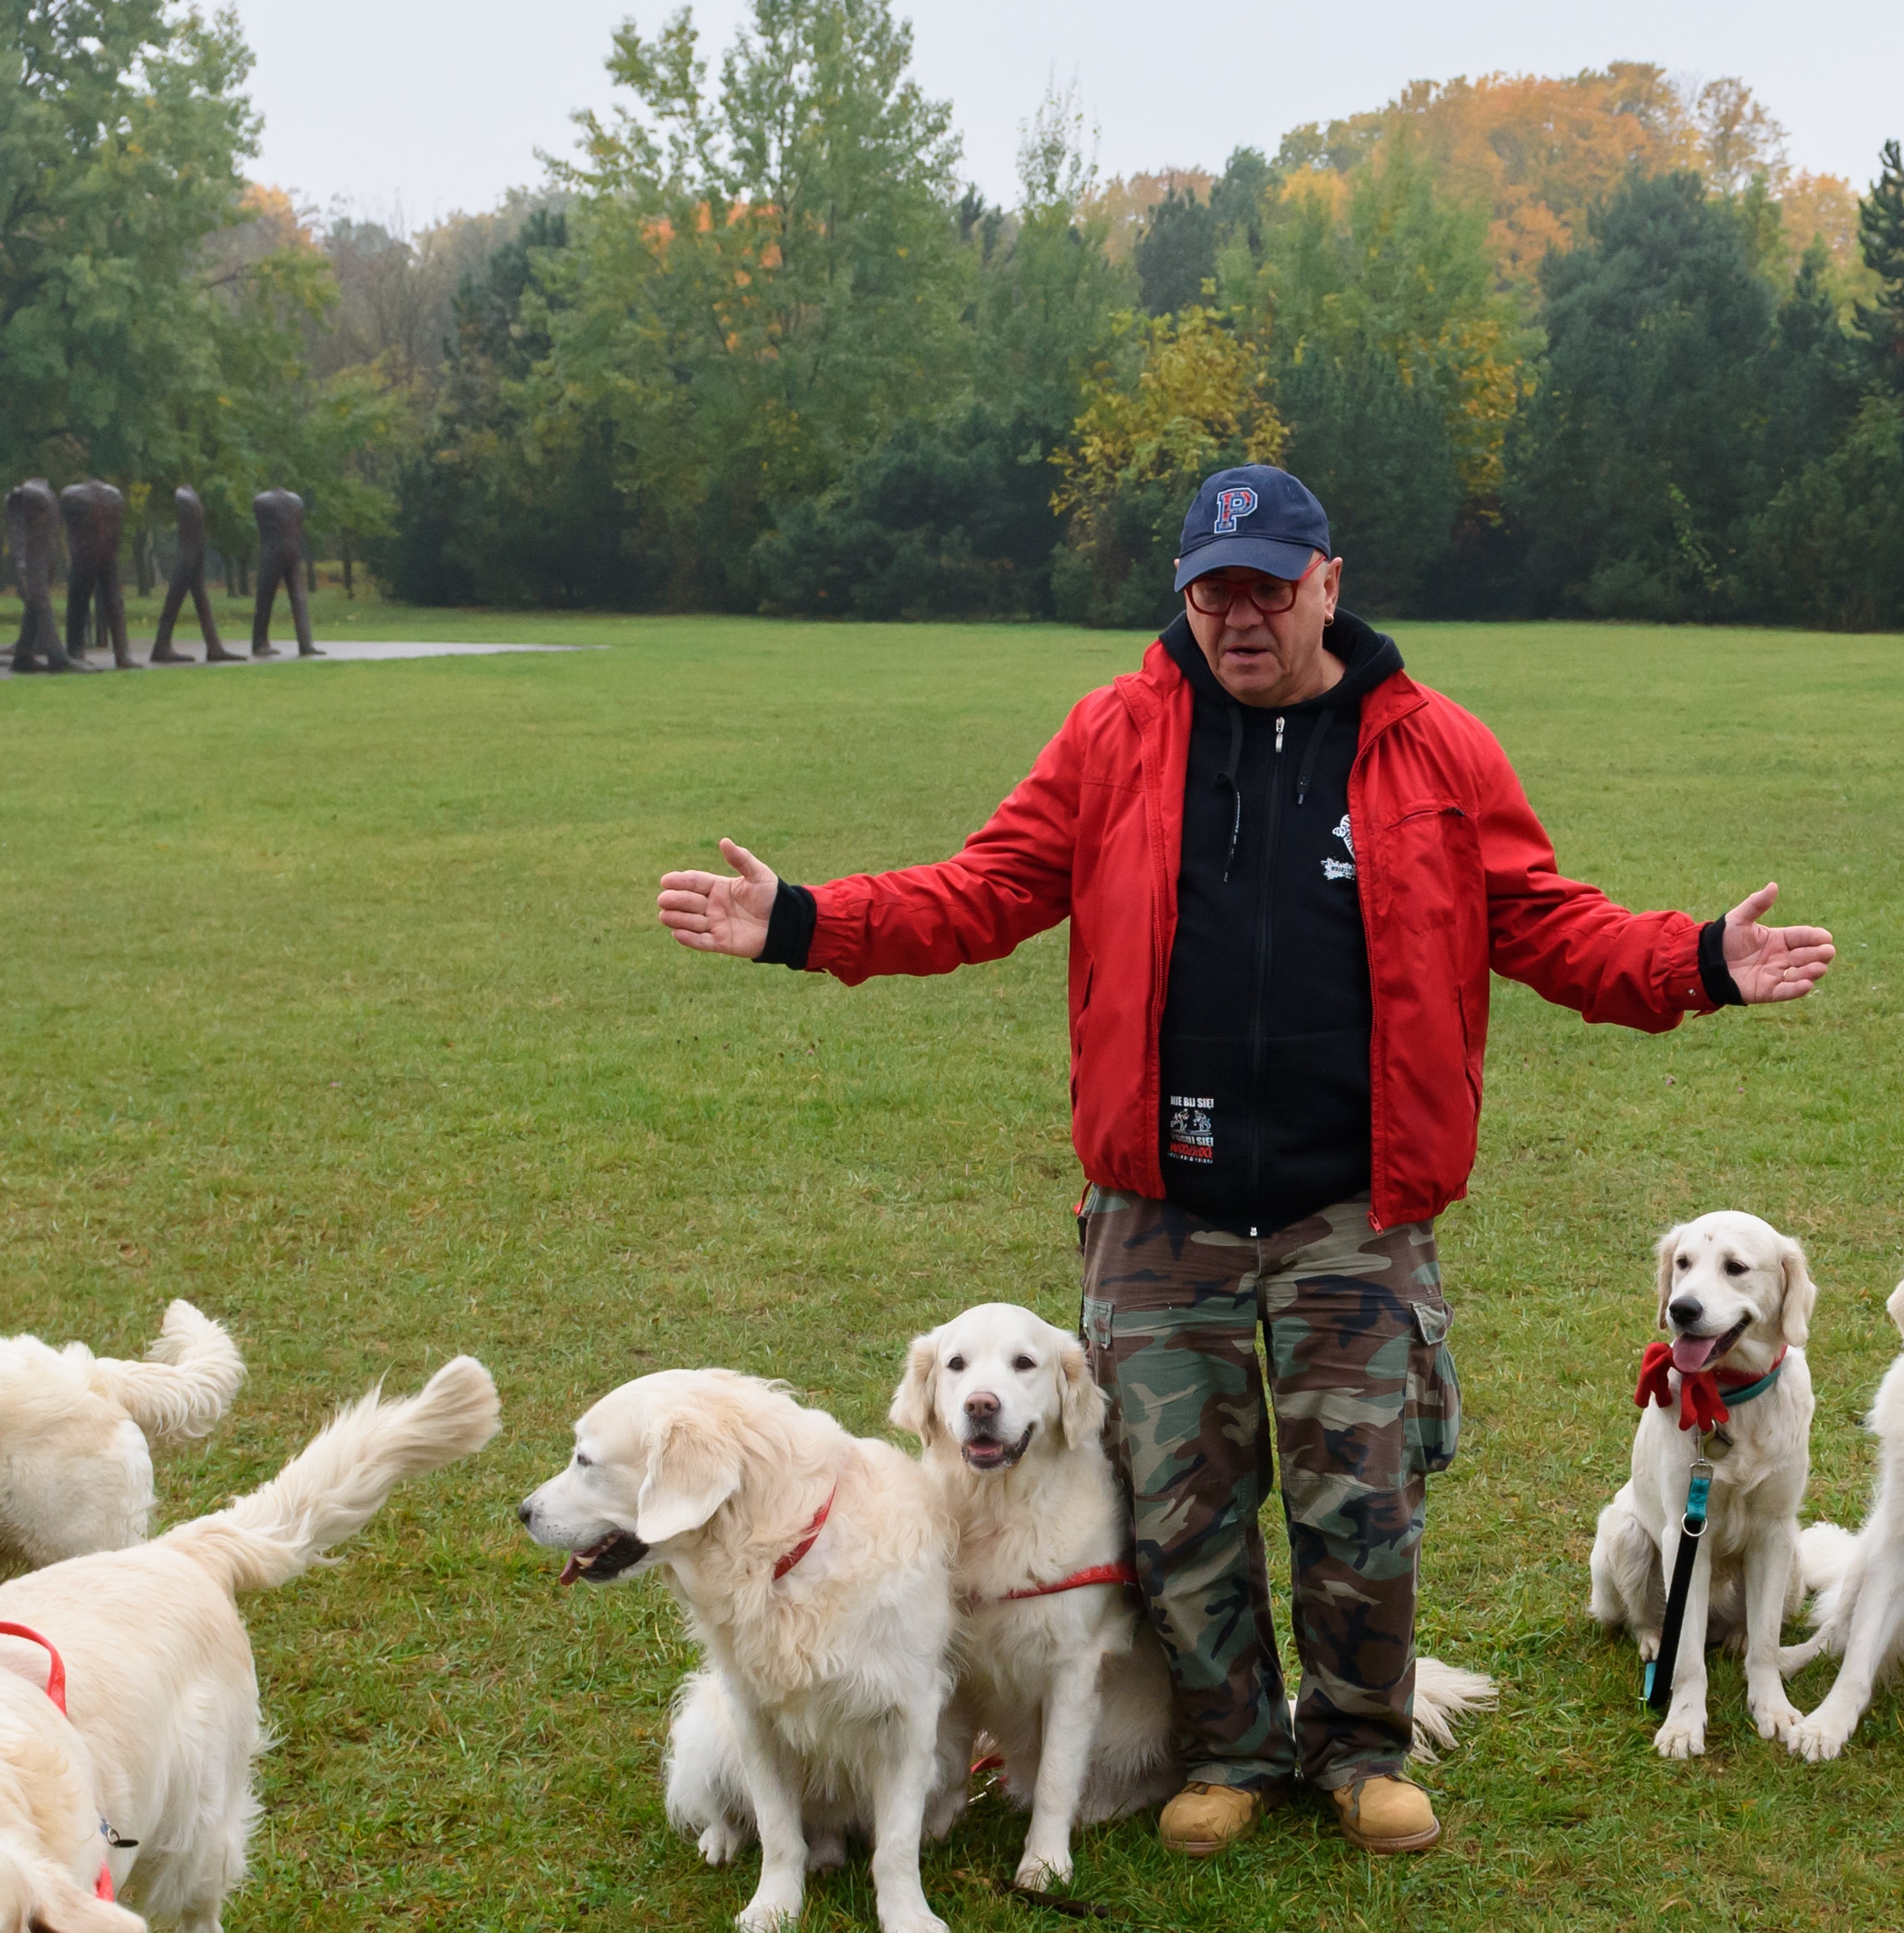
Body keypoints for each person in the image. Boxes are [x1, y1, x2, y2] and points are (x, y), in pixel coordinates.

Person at [657, 463, 1835, 1858]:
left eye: (1271, 587)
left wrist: (1696, 961)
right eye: (1214, 592)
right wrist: (800, 921)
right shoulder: (1116, 736)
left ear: (1329, 583)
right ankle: (1227, 1749)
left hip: (1355, 1203)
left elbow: (1545, 918)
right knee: (1177, 1507)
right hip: (1161, 1210)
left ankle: (1359, 1751)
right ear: (1187, 600)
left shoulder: (1431, 749)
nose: (1242, 617)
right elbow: (981, 890)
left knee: (1364, 1499)